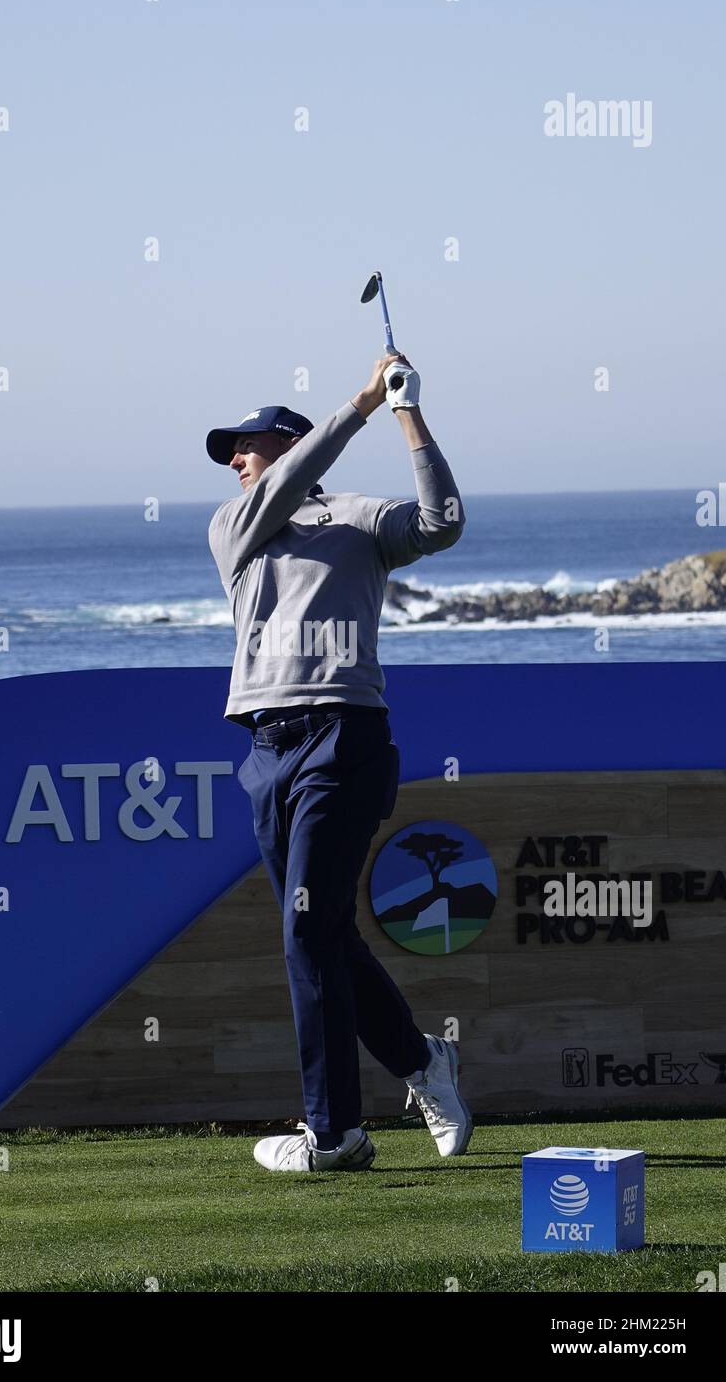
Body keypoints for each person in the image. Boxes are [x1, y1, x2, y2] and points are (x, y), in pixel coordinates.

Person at [207, 350, 472, 1172]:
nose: (237, 462)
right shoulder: (235, 525)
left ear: (289, 443)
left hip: (342, 738)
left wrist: (403, 412)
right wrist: (356, 405)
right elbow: (287, 486)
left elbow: (444, 523)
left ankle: (335, 1134)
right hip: (266, 748)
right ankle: (424, 1063)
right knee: (319, 933)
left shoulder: (357, 517)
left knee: (306, 932)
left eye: (247, 447)